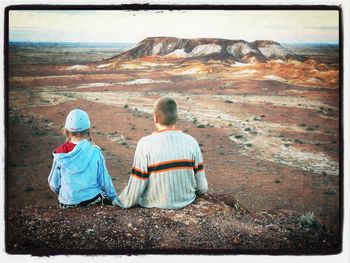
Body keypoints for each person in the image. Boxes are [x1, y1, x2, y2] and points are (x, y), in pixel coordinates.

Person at [117, 97, 208, 209]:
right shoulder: (192, 142)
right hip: (186, 201)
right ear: (176, 118)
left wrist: (118, 202)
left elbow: (135, 190)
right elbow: (202, 187)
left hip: (154, 205)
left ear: (155, 118)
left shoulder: (145, 144)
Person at [48, 109, 119, 208]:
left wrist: (66, 194)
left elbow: (53, 184)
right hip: (92, 201)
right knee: (103, 196)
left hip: (67, 202)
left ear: (67, 131)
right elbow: (104, 180)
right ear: (88, 130)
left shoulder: (59, 153)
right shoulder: (95, 151)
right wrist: (114, 197)